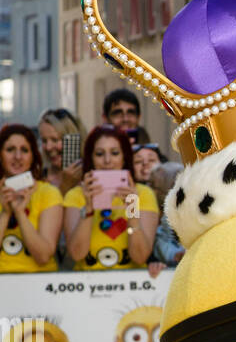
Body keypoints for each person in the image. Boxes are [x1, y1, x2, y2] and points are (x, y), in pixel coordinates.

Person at [62, 125, 158, 269]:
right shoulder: (75, 195)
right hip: (87, 286)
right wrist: (88, 209)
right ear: (91, 159)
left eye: (114, 153)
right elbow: (77, 254)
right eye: (100, 154)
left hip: (132, 286)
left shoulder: (143, 194)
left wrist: (132, 209)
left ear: (124, 157)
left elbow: (140, 257)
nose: (107, 160)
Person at [0, 123, 63, 272]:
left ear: (33, 155)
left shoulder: (49, 193)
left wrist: (20, 214)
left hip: (37, 283)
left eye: (24, 150)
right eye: (10, 150)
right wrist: (6, 213)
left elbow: (43, 257)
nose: (18, 156)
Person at [37, 108, 87, 195]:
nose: (48, 147)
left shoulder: (89, 176)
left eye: (55, 140)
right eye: (44, 141)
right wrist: (65, 186)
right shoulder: (38, 176)